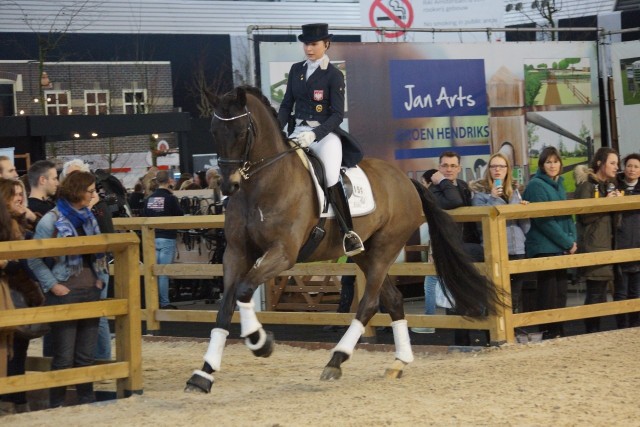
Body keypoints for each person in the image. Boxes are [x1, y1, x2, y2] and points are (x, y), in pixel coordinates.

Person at [277, 23, 364, 257]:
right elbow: (286, 105)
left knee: (331, 176)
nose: (308, 48)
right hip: (297, 132)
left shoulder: (334, 75)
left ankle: (348, 233)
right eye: (306, 44)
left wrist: (315, 134)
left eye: (314, 44)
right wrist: (278, 130)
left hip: (324, 135)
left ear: (326, 44)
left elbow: (337, 114)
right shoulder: (296, 70)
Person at [28, 171, 108, 408]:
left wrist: (100, 278)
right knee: (63, 355)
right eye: (90, 191)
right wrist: (52, 284)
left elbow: (100, 251)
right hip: (65, 291)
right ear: (77, 191)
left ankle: (86, 399)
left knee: (86, 355)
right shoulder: (51, 221)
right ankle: (57, 403)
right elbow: (33, 259)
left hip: (89, 288)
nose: (94, 195)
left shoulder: (89, 218)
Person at [429, 151, 486, 345]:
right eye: (445, 166)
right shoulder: (433, 190)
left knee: (475, 294)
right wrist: (442, 182)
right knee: (455, 297)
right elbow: (454, 202)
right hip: (450, 250)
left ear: (459, 168)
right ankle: (461, 342)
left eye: (453, 166)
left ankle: (484, 336)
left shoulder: (463, 186)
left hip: (469, 248)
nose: (449, 169)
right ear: (439, 168)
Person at [523, 146, 577, 339]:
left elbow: (566, 216)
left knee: (561, 290)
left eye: (555, 161)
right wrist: (568, 242)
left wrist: (572, 240)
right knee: (549, 291)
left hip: (560, 245)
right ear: (541, 164)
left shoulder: (559, 183)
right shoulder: (536, 185)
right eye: (548, 162)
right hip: (544, 246)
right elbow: (544, 221)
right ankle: (548, 331)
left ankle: (558, 329)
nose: (552, 165)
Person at [470, 153, 529, 313]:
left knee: (514, 297)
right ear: (488, 170)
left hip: (517, 249)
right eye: (494, 166)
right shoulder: (480, 194)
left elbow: (524, 228)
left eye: (501, 166)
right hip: (494, 251)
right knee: (494, 297)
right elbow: (481, 224)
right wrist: (493, 198)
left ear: (507, 170)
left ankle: (513, 333)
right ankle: (494, 335)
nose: (497, 170)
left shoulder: (515, 193)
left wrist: (524, 211)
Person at [0, 178, 38, 414]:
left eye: (21, 192)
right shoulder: (4, 227)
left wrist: (32, 217)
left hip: (21, 292)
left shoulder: (24, 225)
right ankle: (8, 400)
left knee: (20, 349)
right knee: (7, 350)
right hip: (7, 292)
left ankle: (19, 400)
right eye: (15, 193)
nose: (20, 197)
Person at [574, 147, 621, 333]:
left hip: (606, 245)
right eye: (612, 163)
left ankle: (597, 333)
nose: (616, 167)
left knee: (600, 294)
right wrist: (606, 202)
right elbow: (585, 216)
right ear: (600, 163)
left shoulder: (607, 186)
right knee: (595, 293)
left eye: (617, 163)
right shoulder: (587, 186)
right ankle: (591, 333)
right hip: (594, 246)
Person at [141, 170, 184, 309]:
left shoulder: (149, 199)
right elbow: (179, 214)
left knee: (153, 272)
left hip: (152, 238)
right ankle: (164, 302)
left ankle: (153, 302)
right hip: (167, 237)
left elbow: (145, 215)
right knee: (163, 273)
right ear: (169, 181)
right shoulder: (171, 198)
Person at [614, 153, 640, 328]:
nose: (632, 169)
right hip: (621, 243)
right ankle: (621, 328)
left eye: (636, 166)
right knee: (621, 292)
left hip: (638, 244)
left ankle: (635, 327)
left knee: (636, 292)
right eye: (629, 165)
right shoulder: (615, 186)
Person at [412, 169, 439, 334]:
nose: (422, 187)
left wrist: (432, 251)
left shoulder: (433, 199)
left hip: (438, 246)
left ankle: (430, 321)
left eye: (423, 183)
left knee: (430, 282)